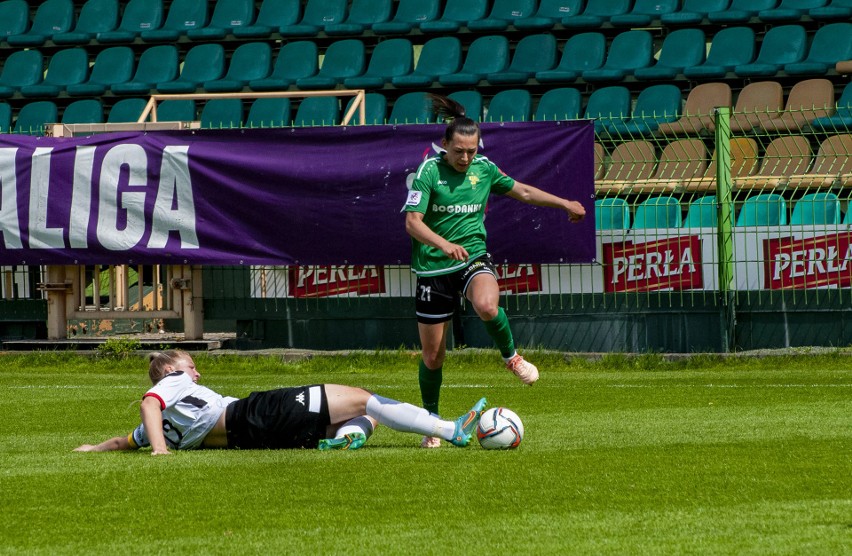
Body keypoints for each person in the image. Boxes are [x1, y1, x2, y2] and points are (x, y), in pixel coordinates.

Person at [404, 94, 586, 448]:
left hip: (473, 258)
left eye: (471, 150)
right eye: (459, 150)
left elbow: (524, 192)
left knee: (487, 306)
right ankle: (433, 423)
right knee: (433, 355)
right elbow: (413, 223)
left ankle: (511, 357)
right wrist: (442, 244)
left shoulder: (484, 169)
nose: (465, 157)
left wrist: (564, 203)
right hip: (433, 269)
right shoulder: (429, 171)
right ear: (445, 145)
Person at [74, 350, 486, 454]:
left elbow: (122, 442)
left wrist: (93, 448)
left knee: (364, 416)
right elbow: (148, 403)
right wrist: (161, 453)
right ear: (172, 372)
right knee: (365, 398)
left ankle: (347, 438)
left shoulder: (158, 428)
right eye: (191, 367)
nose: (196, 374)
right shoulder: (172, 382)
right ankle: (451, 429)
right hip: (255, 411)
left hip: (255, 439)